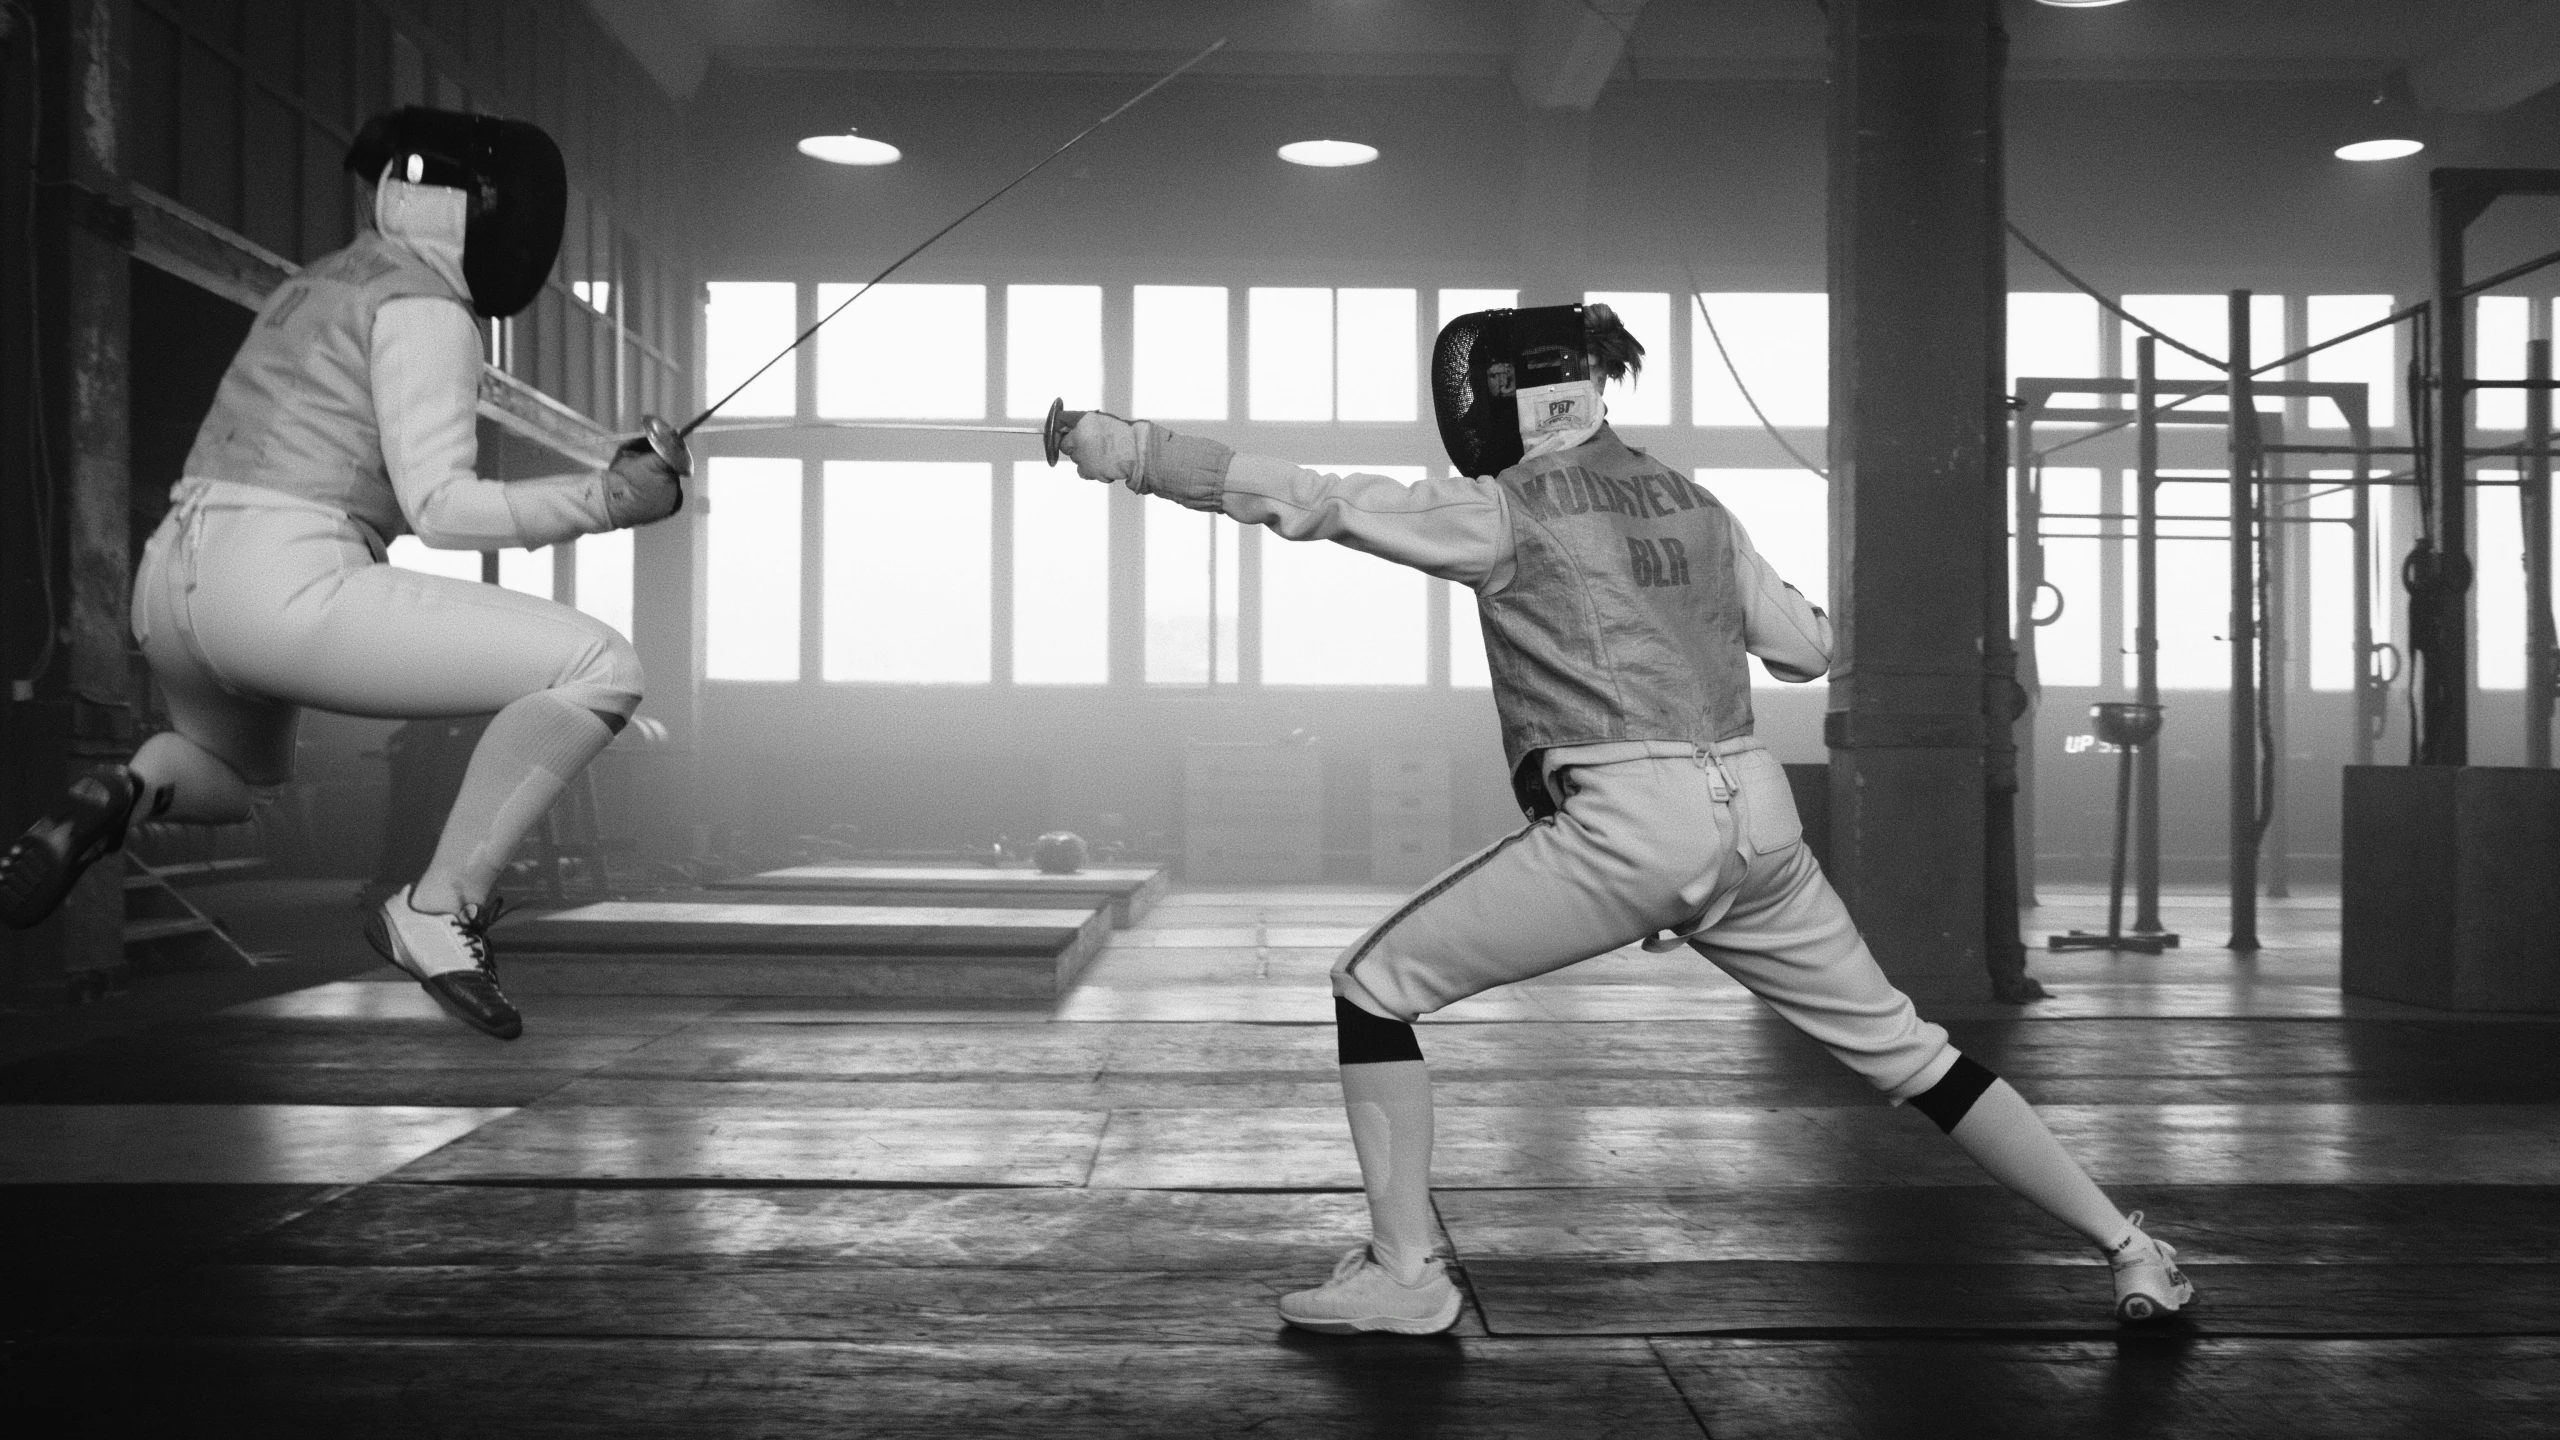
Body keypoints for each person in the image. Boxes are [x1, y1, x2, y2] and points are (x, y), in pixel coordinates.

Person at [1058, 302, 2193, 1334]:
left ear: (1514, 392)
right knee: (1912, 1055)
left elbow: (1311, 501)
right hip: (1759, 816)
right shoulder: (1698, 505)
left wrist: (1131, 451)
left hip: (1632, 820)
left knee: (1373, 987)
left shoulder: (1506, 509)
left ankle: (1406, 1275)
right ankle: (2132, 1249)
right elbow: (1808, 648)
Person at [0, 108, 687, 1041]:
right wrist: (609, 499)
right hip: (285, 581)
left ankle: (120, 789)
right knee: (601, 665)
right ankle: (439, 908)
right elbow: (442, 508)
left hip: (171, 583)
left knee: (228, 778)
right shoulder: (426, 307)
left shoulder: (317, 284)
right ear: (473, 208)